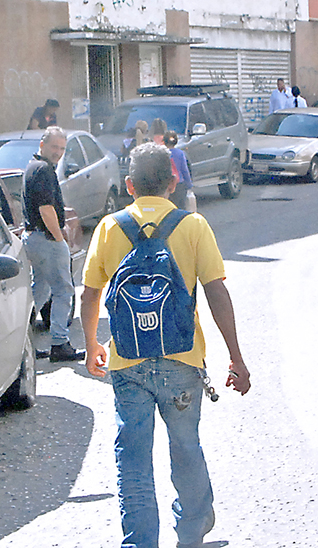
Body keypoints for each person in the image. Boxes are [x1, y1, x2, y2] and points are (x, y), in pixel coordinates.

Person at [81, 142, 250, 548]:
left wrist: (91, 346)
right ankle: (190, 533)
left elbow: (90, 294)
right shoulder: (192, 227)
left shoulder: (109, 227)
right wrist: (236, 358)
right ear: (173, 183)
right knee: (185, 446)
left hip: (128, 361)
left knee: (134, 460)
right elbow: (216, 292)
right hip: (182, 360)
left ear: (129, 185)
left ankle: (141, 543)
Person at [25, 127, 84, 362]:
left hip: (34, 238)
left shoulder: (33, 167)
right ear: (42, 145)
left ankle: (22, 343)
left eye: (62, 148)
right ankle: (59, 343)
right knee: (63, 291)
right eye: (54, 147)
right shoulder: (43, 170)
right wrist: (60, 238)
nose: (58, 152)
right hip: (47, 238)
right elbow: (45, 208)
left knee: (39, 290)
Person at [163, 131, 192, 209]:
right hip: (179, 184)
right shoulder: (180, 153)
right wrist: (189, 184)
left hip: (166, 185)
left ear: (164, 141)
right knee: (180, 207)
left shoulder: (162, 154)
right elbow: (184, 170)